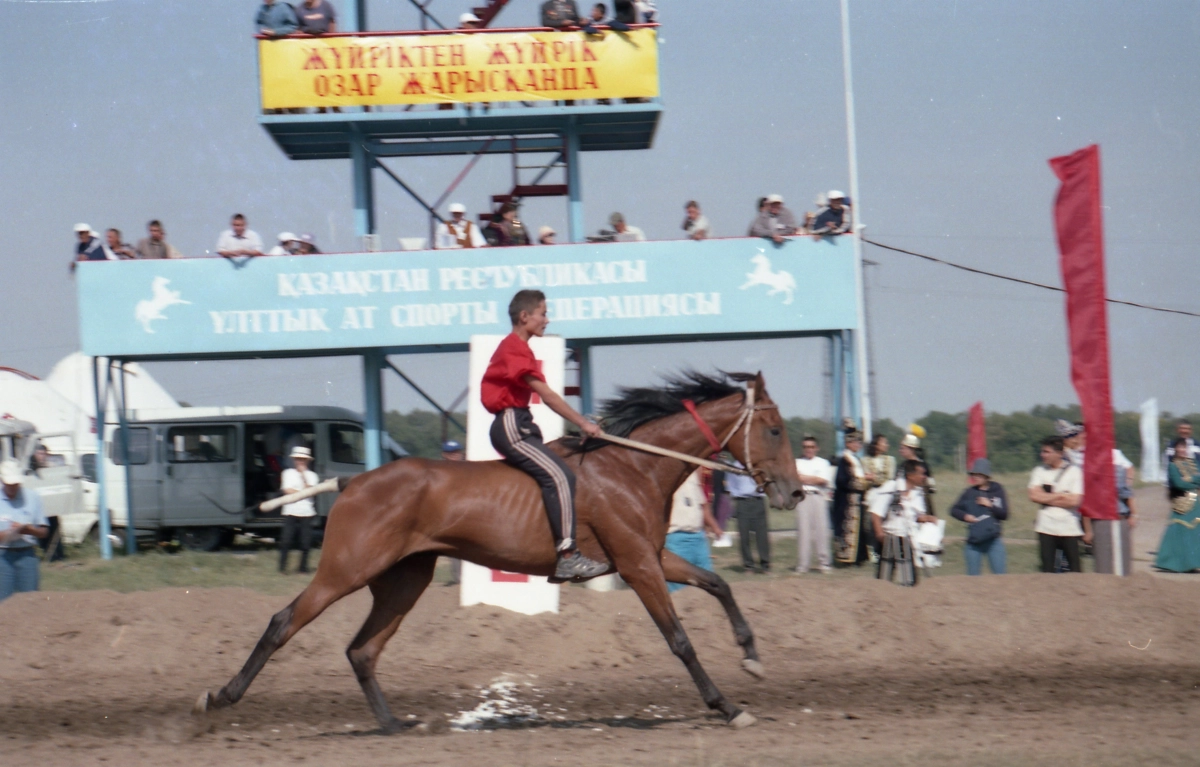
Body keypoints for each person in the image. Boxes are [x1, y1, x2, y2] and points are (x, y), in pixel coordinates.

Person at [482, 289, 608, 582]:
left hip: (520, 422)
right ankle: (567, 556)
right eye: (543, 313)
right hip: (512, 424)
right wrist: (583, 423)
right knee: (561, 476)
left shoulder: (520, 348)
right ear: (525, 317)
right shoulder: (513, 349)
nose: (547, 320)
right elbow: (548, 396)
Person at [869, 460, 937, 586]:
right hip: (889, 535)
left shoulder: (917, 493)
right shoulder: (892, 488)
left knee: (909, 576)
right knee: (885, 573)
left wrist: (927, 518)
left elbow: (915, 517)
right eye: (921, 474)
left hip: (906, 536)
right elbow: (876, 513)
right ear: (911, 475)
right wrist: (879, 534)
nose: (924, 477)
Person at [1029, 436, 1084, 573]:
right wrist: (1060, 495)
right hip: (1046, 526)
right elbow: (1033, 496)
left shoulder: (1074, 472)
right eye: (1042, 451)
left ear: (1059, 453)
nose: (1043, 455)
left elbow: (1075, 501)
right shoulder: (1039, 471)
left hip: (1069, 526)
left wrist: (1046, 497)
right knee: (1048, 568)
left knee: (1074, 568)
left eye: (1047, 452)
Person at [664, 469, 722, 592]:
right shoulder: (668, 478)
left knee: (708, 579)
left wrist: (716, 527)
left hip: (698, 537)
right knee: (678, 583)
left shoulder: (693, 478)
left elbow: (704, 506)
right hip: (676, 538)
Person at [0, 460, 49, 601]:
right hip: (3, 556)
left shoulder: (33, 497)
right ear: (2, 480)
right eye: (9, 484)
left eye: (15, 484)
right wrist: (7, 534)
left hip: (27, 555)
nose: (13, 488)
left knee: (31, 601)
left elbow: (44, 532)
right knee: (3, 603)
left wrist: (28, 530)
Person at [950, 458, 1008, 575]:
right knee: (973, 579)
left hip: (993, 540)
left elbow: (1004, 514)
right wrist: (965, 516)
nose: (975, 477)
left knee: (1001, 577)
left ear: (986, 476)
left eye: (979, 475)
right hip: (973, 542)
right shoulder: (969, 492)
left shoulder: (997, 490)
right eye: (974, 474)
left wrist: (990, 505)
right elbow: (954, 510)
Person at [1155, 438, 1200, 572]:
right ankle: (1172, 563)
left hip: (1196, 503)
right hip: (1181, 503)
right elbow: (1178, 484)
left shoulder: (1193, 463)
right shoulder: (1172, 465)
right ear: (1175, 449)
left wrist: (1189, 479)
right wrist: (1194, 482)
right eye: (1180, 447)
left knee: (1194, 533)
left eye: (1184, 447)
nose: (1182, 450)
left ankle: (1192, 564)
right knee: (1179, 532)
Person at [793, 436, 832, 574]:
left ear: (816, 448)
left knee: (821, 530)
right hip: (803, 497)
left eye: (811, 447)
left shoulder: (823, 463)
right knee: (804, 531)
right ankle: (803, 565)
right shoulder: (796, 462)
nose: (808, 449)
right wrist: (812, 478)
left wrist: (805, 478)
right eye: (805, 447)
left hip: (818, 496)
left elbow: (822, 480)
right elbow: (796, 478)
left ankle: (824, 563)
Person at [278, 446, 318, 574]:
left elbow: (311, 492)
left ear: (307, 461)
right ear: (294, 460)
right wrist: (303, 492)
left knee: (305, 542)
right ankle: (282, 568)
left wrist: (302, 476)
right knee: (286, 540)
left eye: (302, 459)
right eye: (297, 459)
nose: (299, 461)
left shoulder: (312, 475)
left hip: (307, 512)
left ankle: (303, 567)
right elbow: (286, 490)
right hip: (290, 510)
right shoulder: (287, 473)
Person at [832, 425, 868, 565]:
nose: (858, 445)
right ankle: (846, 558)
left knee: (858, 530)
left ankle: (858, 557)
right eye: (855, 442)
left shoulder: (856, 460)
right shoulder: (844, 460)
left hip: (856, 502)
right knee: (846, 531)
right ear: (848, 443)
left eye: (859, 442)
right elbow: (842, 480)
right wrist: (863, 482)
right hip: (846, 503)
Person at [727, 464, 769, 573]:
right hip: (742, 502)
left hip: (758, 501)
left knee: (762, 535)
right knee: (744, 536)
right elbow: (731, 485)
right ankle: (748, 565)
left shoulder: (758, 464)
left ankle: (765, 565)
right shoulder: (735, 466)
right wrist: (736, 499)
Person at [441, 440, 466, 585]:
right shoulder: (442, 471)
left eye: (456, 452)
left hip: (468, 512)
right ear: (444, 455)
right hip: (451, 515)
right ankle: (458, 579)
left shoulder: (470, 468)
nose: (454, 455)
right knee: (454, 548)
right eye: (451, 453)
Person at [862, 434, 894, 516]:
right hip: (870, 495)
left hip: (885, 494)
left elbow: (889, 478)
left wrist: (874, 478)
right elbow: (864, 479)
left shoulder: (890, 460)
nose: (887, 445)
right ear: (876, 444)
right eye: (884, 442)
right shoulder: (865, 460)